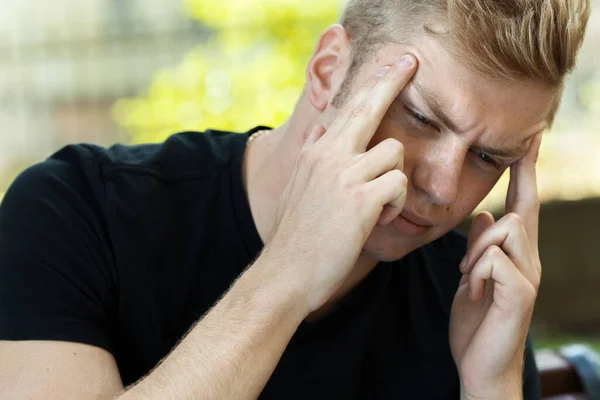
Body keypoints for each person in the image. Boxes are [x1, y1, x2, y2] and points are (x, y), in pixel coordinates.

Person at [0, 0, 590, 399]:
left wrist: (492, 386)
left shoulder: (473, 301)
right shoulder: (72, 210)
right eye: (418, 117)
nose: (441, 186)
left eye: (490, 159)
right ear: (329, 69)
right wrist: (287, 276)